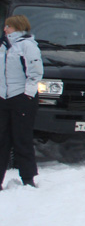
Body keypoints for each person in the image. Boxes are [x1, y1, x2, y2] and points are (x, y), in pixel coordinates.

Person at [0, 15, 43, 190]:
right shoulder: (3, 46)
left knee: (22, 138)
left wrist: (27, 95)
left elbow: (35, 73)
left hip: (22, 98)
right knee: (2, 139)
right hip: (3, 98)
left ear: (17, 27)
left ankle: (28, 178)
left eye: (8, 26)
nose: (5, 29)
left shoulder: (27, 45)